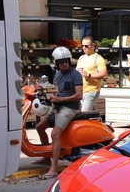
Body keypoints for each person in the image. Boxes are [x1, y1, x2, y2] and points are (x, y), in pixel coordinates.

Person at [35, 47, 83, 179]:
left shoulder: (75, 75)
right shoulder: (57, 75)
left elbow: (79, 95)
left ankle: (54, 169)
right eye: (61, 61)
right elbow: (58, 92)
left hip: (71, 108)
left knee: (55, 134)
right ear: (56, 63)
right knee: (39, 127)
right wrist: (49, 96)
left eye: (66, 61)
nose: (64, 63)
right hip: (59, 106)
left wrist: (60, 99)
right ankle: (46, 157)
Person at [76, 36, 107, 111]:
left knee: (84, 113)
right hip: (81, 91)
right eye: (82, 46)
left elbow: (103, 74)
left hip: (92, 90)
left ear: (93, 45)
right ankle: (97, 121)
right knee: (91, 115)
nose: (84, 48)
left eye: (86, 46)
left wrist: (88, 75)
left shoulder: (98, 58)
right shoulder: (81, 58)